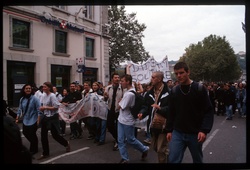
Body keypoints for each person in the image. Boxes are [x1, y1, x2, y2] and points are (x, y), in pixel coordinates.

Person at [166, 61, 214, 163]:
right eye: (176, 73)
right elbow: (171, 112)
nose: (179, 76)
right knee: (173, 159)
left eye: (181, 72)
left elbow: (208, 111)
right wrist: (169, 130)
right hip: (178, 132)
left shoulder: (199, 89)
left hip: (195, 133)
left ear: (188, 72)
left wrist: (204, 130)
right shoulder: (174, 91)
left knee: (197, 160)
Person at [139, 71, 170, 163]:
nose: (151, 79)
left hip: (164, 125)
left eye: (153, 77)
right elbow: (145, 106)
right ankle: (167, 154)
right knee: (155, 147)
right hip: (153, 124)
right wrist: (142, 113)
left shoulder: (169, 92)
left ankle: (164, 158)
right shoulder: (149, 93)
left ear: (159, 79)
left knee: (161, 149)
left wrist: (160, 108)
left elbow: (172, 108)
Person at [117, 74, 149, 163]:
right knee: (120, 140)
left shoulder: (129, 94)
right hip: (121, 119)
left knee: (131, 139)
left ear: (127, 82)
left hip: (128, 121)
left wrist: (120, 102)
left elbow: (119, 107)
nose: (121, 83)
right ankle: (125, 158)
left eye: (122, 81)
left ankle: (144, 149)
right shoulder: (130, 91)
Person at [38, 81, 70, 160]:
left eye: (45, 87)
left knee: (55, 135)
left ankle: (66, 143)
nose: (43, 88)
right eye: (43, 87)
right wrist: (41, 110)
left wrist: (45, 108)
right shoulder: (43, 95)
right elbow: (42, 105)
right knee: (43, 136)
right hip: (45, 117)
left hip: (52, 118)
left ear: (49, 88)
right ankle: (45, 153)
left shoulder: (52, 96)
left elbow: (56, 107)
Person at [15, 84, 42, 156]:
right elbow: (20, 109)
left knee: (32, 134)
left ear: (31, 90)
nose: (28, 90)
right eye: (26, 88)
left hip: (34, 119)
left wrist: (38, 120)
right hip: (26, 119)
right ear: (24, 90)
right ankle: (34, 144)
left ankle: (33, 149)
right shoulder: (22, 99)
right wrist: (17, 117)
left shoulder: (35, 99)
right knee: (25, 132)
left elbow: (39, 110)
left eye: (29, 88)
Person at [103, 73, 124, 151]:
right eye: (115, 77)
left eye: (118, 77)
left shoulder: (122, 88)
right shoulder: (108, 88)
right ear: (112, 79)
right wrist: (105, 97)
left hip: (119, 110)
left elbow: (125, 98)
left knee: (119, 127)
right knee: (109, 126)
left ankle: (119, 142)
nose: (117, 79)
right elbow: (105, 99)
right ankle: (117, 138)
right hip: (110, 109)